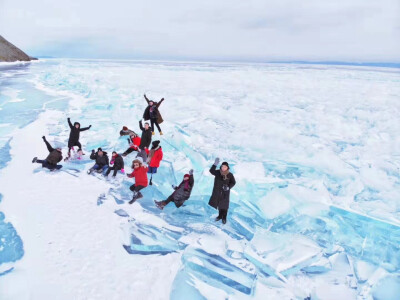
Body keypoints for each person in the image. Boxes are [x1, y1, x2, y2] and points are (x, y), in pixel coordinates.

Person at [208, 158, 236, 224]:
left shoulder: (230, 175)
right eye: (222, 166)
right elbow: (211, 171)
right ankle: (220, 216)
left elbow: (233, 182)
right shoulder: (218, 172)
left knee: (224, 205)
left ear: (227, 167)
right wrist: (215, 164)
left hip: (225, 192)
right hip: (217, 192)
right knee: (219, 204)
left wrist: (228, 187)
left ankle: (224, 218)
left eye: (225, 167)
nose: (223, 168)